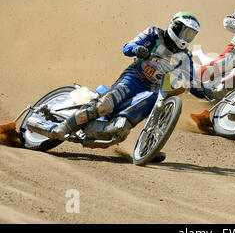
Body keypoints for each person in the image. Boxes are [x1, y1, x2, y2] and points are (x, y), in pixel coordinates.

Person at [50, 12, 212, 141]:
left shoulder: (185, 56)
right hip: (135, 77)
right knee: (105, 105)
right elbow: (127, 47)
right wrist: (137, 49)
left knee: (159, 110)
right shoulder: (154, 33)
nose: (186, 37)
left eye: (191, 35)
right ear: (175, 27)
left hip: (155, 87)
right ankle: (65, 127)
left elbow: (190, 80)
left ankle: (151, 144)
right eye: (185, 32)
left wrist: (205, 91)